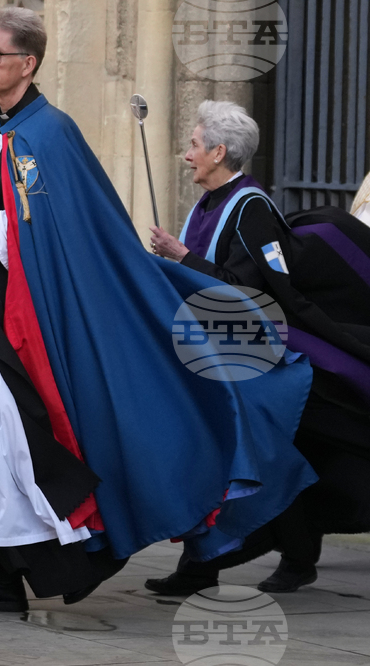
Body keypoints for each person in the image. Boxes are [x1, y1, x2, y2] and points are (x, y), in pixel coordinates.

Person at [0, 7, 317, 612]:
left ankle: (28, 571)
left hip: (34, 323)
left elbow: (68, 231)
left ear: (27, 63)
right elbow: (4, 213)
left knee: (10, 441)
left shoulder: (49, 134)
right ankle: (7, 572)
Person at [147, 101, 370, 595]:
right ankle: (284, 557)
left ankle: (216, 566)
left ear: (219, 152)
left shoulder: (250, 208)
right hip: (215, 357)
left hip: (261, 363)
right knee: (268, 458)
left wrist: (181, 258)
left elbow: (255, 295)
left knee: (253, 458)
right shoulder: (208, 204)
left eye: (194, 145)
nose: (187, 155)